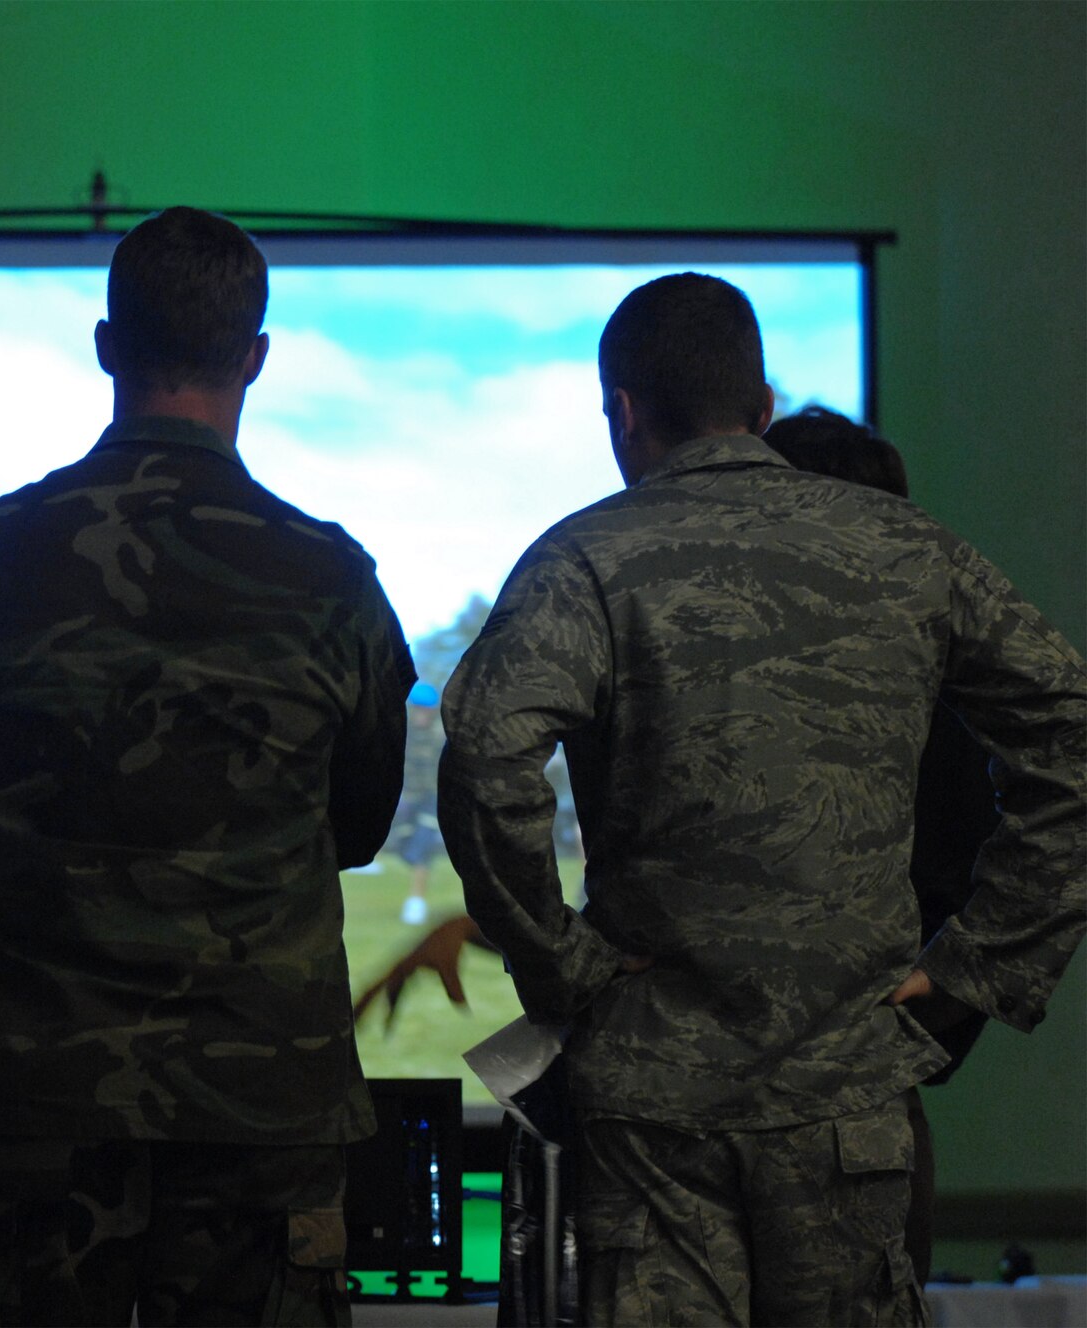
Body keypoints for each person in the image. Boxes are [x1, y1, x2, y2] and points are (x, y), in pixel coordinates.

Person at [436, 274, 1086, 1326]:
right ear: (764, 409)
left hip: (652, 1110)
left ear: (621, 411)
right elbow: (1070, 728)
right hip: (845, 1092)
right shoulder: (902, 548)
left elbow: (482, 755)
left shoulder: (585, 558)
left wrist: (563, 963)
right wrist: (985, 957)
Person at [0, 206, 414, 1327]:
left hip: (33, 1104)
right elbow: (361, 824)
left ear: (104, 344)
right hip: (259, 1104)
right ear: (255, 359)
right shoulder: (331, 577)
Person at [763, 404, 1003, 1285]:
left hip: (848, 1115)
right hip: (859, 1107)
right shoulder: (926, 698)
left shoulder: (927, 712)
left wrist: (929, 1008)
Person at [395, 682, 446, 925]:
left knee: (422, 848)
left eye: (426, 709)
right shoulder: (401, 731)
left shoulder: (440, 735)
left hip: (431, 800)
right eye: (417, 709)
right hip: (406, 800)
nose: (421, 714)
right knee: (405, 849)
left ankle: (416, 901)